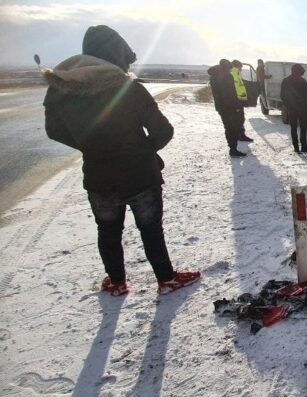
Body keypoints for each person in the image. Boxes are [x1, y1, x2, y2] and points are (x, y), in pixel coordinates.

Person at [43, 25, 200, 296]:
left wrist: (90, 146)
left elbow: (54, 130)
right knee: (151, 229)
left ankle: (116, 282)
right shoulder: (128, 88)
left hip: (99, 175)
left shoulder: (61, 90)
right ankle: (166, 279)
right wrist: (144, 150)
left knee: (108, 230)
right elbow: (164, 130)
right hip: (141, 174)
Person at [208, 59, 247, 157]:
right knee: (232, 127)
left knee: (229, 127)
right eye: (229, 69)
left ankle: (233, 148)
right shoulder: (226, 76)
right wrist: (237, 106)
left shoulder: (213, 77)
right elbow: (231, 93)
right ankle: (233, 149)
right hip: (229, 107)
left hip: (221, 107)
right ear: (226, 68)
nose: (230, 71)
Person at [280, 64, 307, 152]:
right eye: (301, 72)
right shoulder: (302, 81)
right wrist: (306, 107)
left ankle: (296, 148)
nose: (302, 74)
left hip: (293, 109)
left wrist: (288, 107)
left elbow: (282, 96)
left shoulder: (285, 81)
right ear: (298, 71)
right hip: (301, 109)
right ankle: (303, 147)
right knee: (303, 128)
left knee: (293, 128)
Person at [230, 60, 254, 143]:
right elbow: (233, 89)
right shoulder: (233, 74)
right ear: (237, 66)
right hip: (236, 100)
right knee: (239, 119)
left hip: (239, 100)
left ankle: (239, 135)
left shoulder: (236, 73)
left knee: (239, 118)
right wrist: (236, 102)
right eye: (241, 67)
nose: (241, 69)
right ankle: (240, 136)